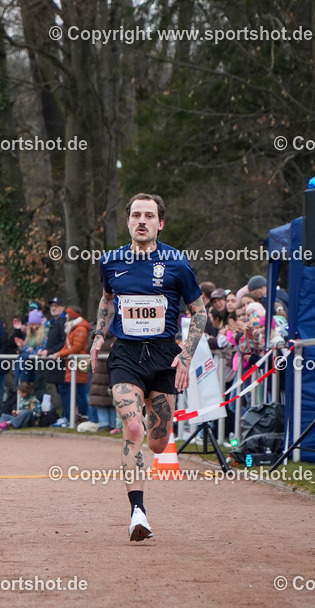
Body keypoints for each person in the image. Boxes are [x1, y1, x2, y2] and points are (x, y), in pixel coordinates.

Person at [90, 193, 205, 542]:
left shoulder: (177, 264)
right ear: (127, 222)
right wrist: (98, 334)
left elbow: (199, 311)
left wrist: (185, 355)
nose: (142, 220)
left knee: (157, 442)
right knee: (134, 428)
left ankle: (141, 498)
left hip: (163, 357)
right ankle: (137, 511)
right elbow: (108, 299)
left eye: (149, 215)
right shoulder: (111, 262)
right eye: (136, 215)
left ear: (160, 223)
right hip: (125, 354)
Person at [51, 304, 91, 425]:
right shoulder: (72, 328)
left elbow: (77, 347)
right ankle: (75, 417)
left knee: (80, 391)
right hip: (72, 363)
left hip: (79, 363)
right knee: (76, 390)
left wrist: (60, 354)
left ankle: (84, 416)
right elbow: (68, 346)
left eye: (68, 314)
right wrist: (60, 353)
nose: (66, 316)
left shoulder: (80, 329)